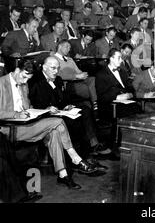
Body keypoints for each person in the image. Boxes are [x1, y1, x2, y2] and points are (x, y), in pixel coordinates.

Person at [0, 60, 96, 189]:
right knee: (58, 121)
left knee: (55, 132)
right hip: (9, 128)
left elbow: (28, 107)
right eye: (23, 77)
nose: (24, 82)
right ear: (17, 71)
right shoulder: (1, 83)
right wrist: (16, 115)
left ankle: (63, 174)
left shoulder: (24, 83)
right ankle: (75, 157)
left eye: (27, 79)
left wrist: (44, 110)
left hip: (26, 124)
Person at [28, 56, 110, 158]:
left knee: (85, 110)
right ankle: (79, 154)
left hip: (60, 110)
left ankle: (92, 144)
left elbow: (63, 97)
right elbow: (33, 102)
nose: (56, 71)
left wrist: (67, 105)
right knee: (74, 122)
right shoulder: (35, 81)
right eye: (53, 68)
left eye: (58, 68)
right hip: (46, 113)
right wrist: (47, 109)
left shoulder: (58, 79)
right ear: (44, 67)